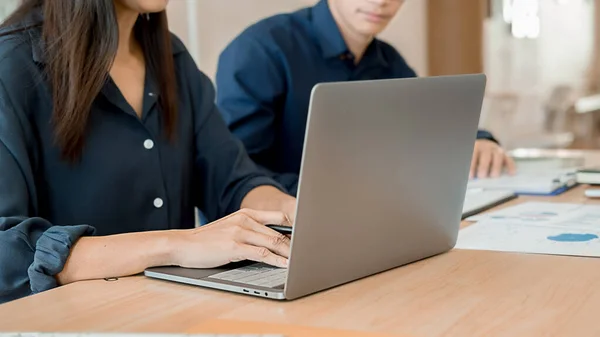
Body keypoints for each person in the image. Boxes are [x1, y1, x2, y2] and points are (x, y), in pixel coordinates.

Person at [0, 0, 297, 304]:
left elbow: (232, 180)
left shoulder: (172, 57)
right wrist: (177, 245)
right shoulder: (10, 65)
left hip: (170, 313)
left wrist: (294, 212)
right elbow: (5, 252)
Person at [216, 0, 517, 196]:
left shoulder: (387, 60)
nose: (381, 2)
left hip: (366, 224)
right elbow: (235, 173)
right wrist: (334, 194)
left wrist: (479, 139)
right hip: (277, 234)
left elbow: (432, 125)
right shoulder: (262, 50)